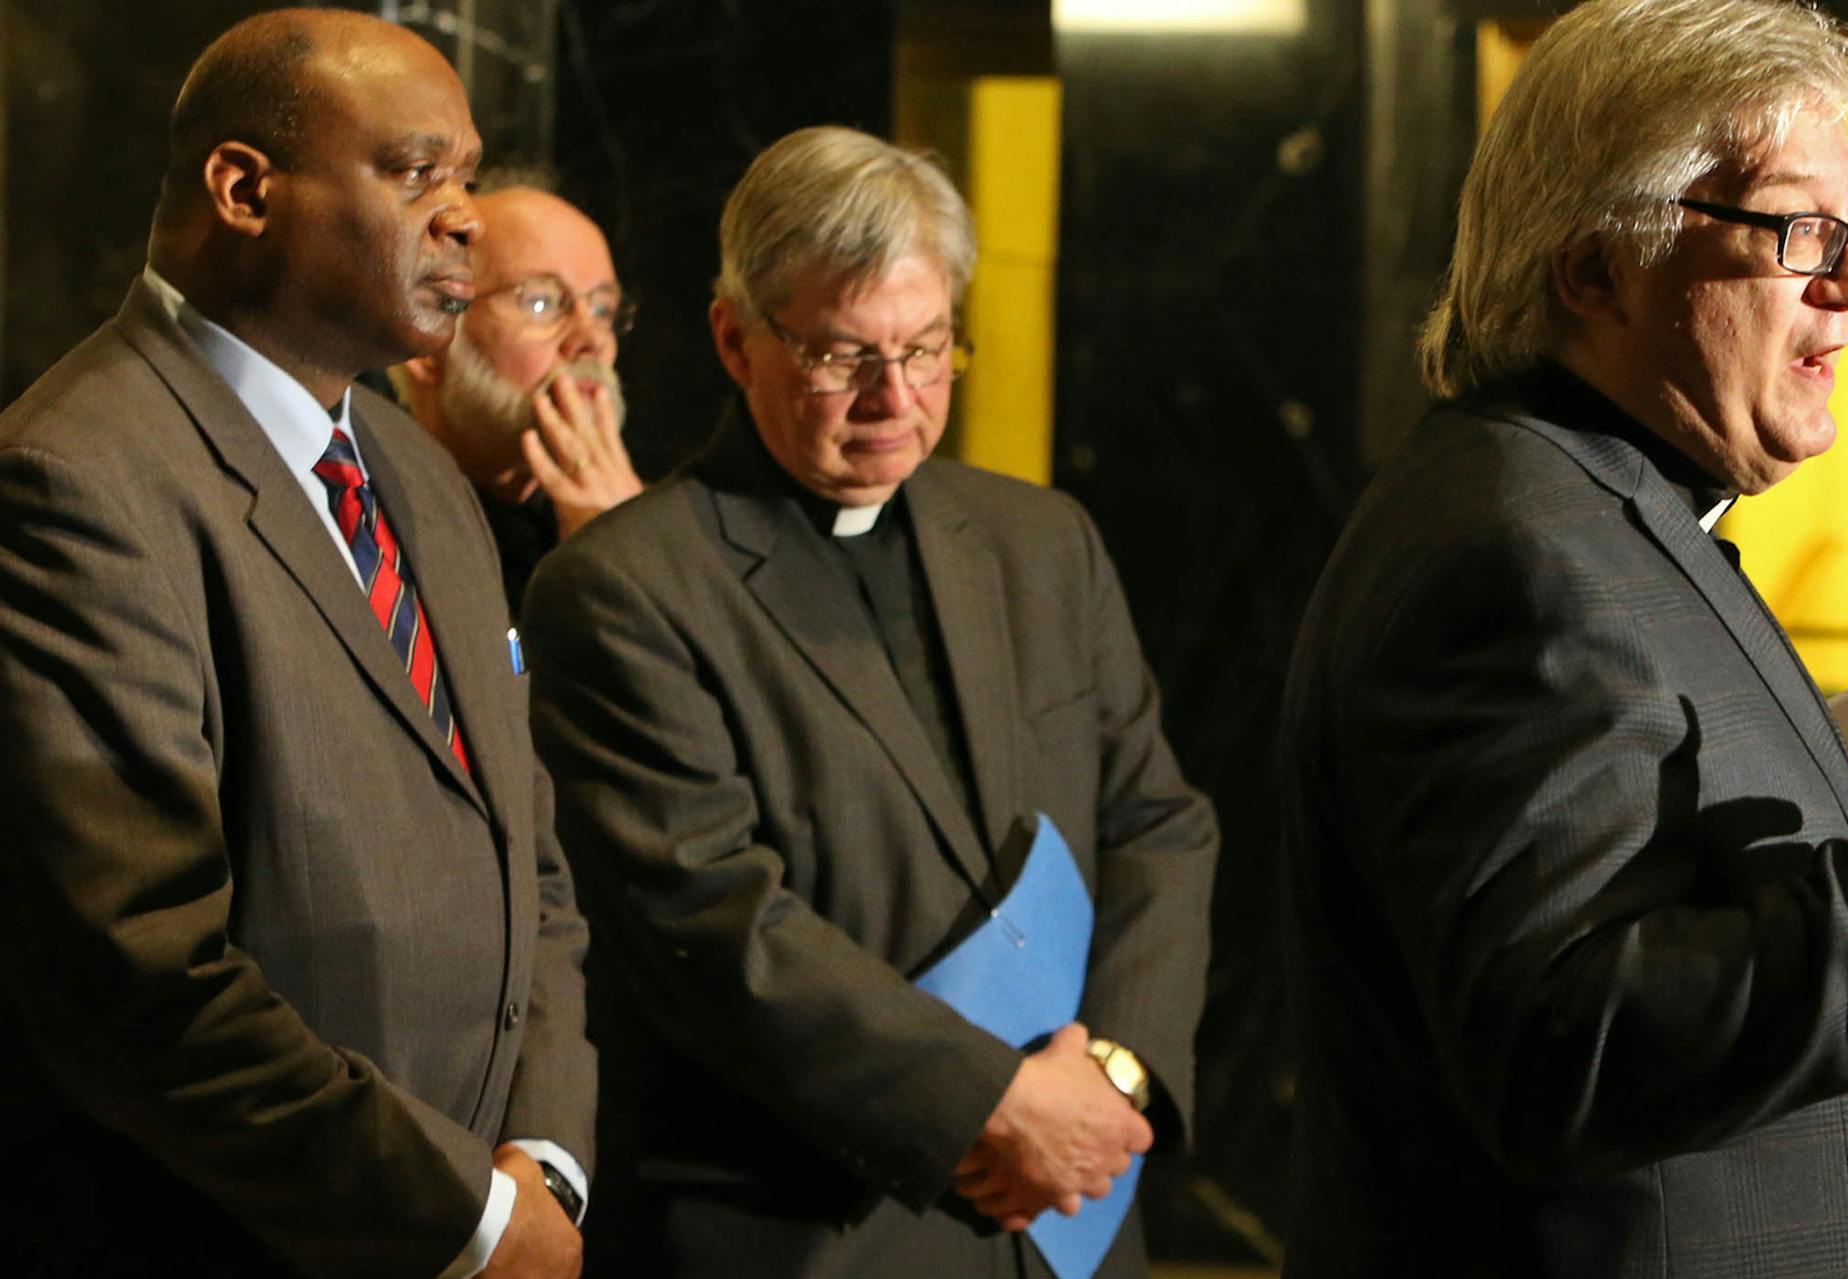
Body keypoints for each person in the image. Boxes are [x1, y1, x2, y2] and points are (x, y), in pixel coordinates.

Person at [1278, 1, 1848, 1275]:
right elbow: (1568, 1044)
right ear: (1595, 270)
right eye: (1798, 228)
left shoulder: (1610, 513)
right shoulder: (1511, 556)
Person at [519, 124, 1218, 1277]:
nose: (895, 397)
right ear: (733, 339)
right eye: (844, 357)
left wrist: (1115, 1077)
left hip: (1076, 1210)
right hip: (813, 1230)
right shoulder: (623, 587)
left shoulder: (1040, 541)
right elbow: (715, 919)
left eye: (929, 347)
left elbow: (1158, 820)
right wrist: (991, 1107)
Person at [0, 11, 594, 1277]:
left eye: (471, 175)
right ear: (244, 189)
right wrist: (468, 1220)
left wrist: (542, 1164)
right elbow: (143, 971)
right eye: (415, 170)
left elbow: (528, 864)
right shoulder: (76, 481)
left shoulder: (421, 480)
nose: (468, 218)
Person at [389, 180, 641, 615]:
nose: (591, 339)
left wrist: (638, 554)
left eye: (602, 309)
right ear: (426, 347)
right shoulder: (367, 524)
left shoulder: (661, 523)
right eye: (541, 302)